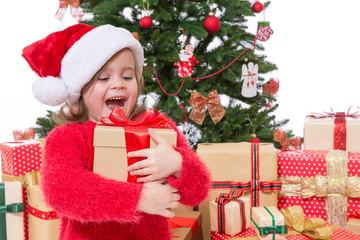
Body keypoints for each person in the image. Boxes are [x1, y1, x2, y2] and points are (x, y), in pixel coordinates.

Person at [22, 24, 211, 240]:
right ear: (80, 90)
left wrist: (179, 164)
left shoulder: (158, 128)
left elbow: (198, 191)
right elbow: (62, 192)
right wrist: (139, 199)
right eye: (104, 78)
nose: (118, 84)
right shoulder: (69, 136)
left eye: (128, 77)